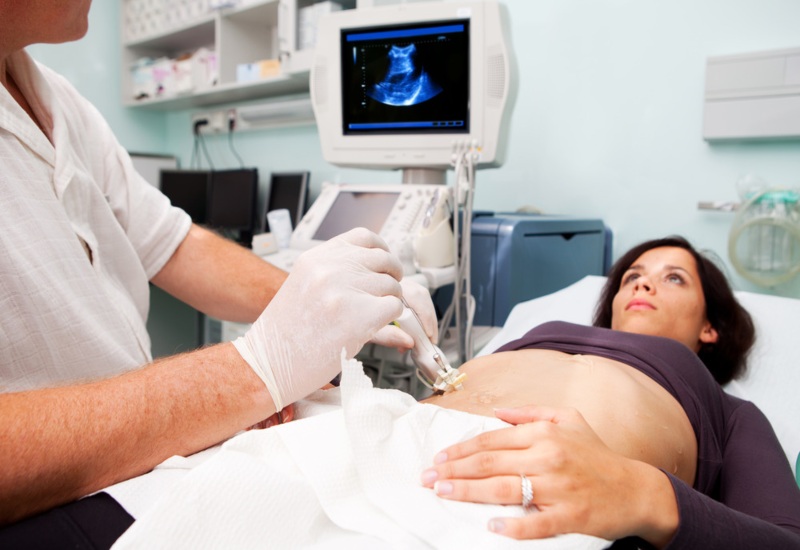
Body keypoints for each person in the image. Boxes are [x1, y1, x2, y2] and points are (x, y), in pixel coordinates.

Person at [0, 0, 438, 544]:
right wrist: (250, 372)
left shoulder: (55, 98)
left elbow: (173, 243)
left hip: (139, 465)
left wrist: (327, 305)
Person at [420, 236, 800, 548]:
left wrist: (644, 495)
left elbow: (785, 540)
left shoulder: (730, 411)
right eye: (631, 275)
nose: (641, 283)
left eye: (674, 279)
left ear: (709, 327)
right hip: (409, 440)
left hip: (521, 515)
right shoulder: (542, 331)